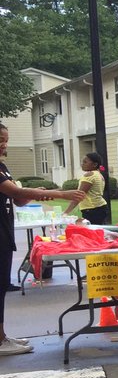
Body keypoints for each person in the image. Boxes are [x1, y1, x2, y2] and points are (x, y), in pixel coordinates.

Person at [0, 123, 85, 355]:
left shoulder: (2, 166)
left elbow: (18, 199)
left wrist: (38, 191)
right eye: (0, 140)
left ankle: (2, 337)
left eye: (6, 139)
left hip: (5, 232)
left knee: (1, 287)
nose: (4, 144)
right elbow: (16, 192)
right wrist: (61, 193)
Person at [64, 152, 111, 225]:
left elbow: (78, 195)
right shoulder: (98, 174)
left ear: (95, 164)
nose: (82, 164)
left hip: (92, 210)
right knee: (98, 232)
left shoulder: (89, 175)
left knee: (91, 233)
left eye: (85, 162)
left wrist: (65, 213)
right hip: (99, 208)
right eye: (82, 162)